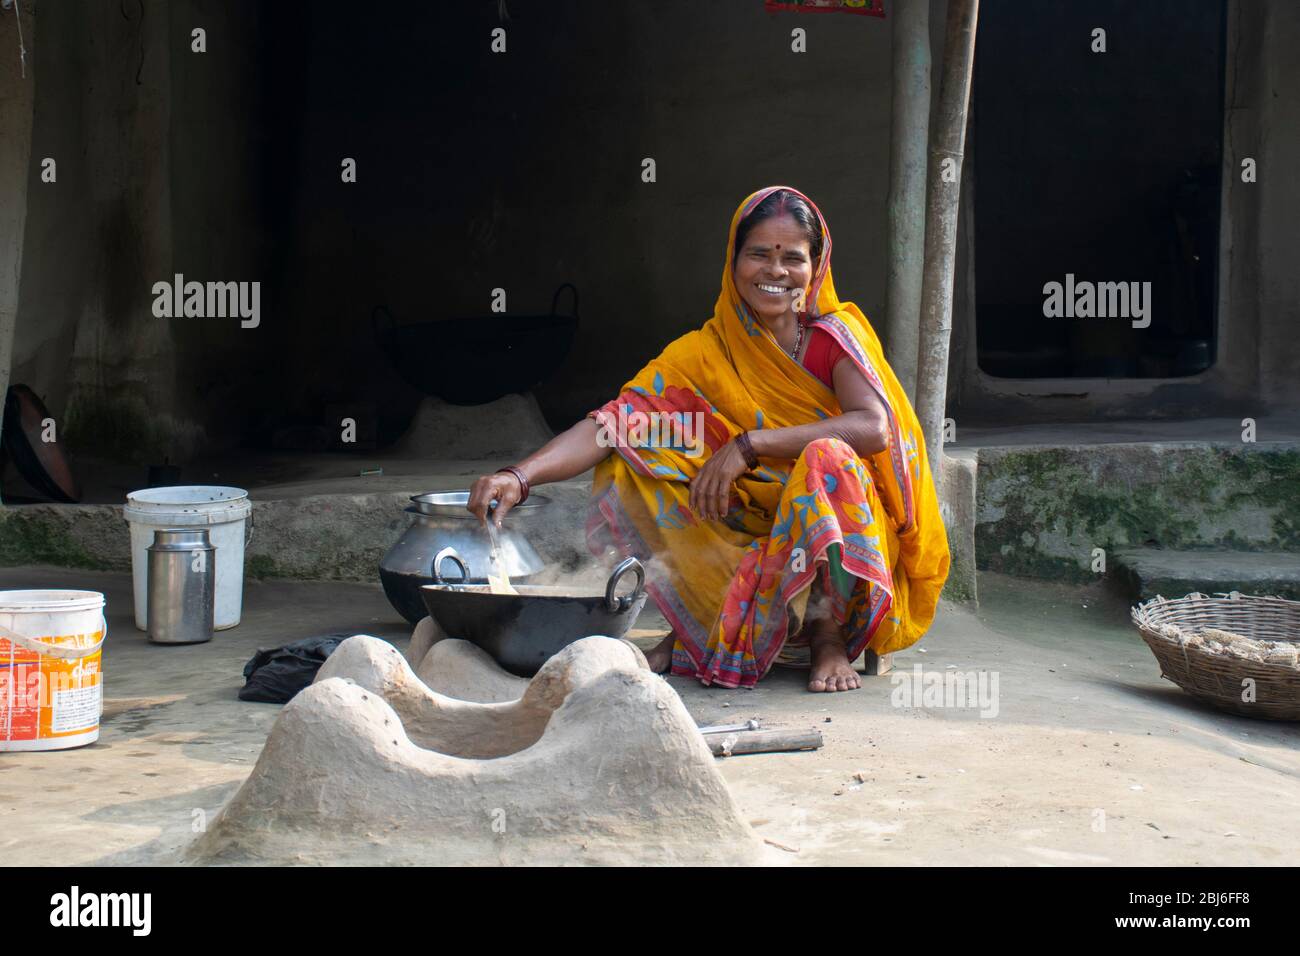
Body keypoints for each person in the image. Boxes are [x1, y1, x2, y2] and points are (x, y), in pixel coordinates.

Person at [468, 185, 949, 692]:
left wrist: (751, 445)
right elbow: (611, 424)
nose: (776, 271)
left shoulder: (832, 337)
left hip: (840, 516)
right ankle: (700, 625)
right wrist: (518, 476)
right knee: (633, 456)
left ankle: (826, 635)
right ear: (733, 260)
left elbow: (873, 428)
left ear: (816, 266)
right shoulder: (704, 351)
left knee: (827, 458)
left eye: (793, 258)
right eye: (759, 254)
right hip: (754, 518)